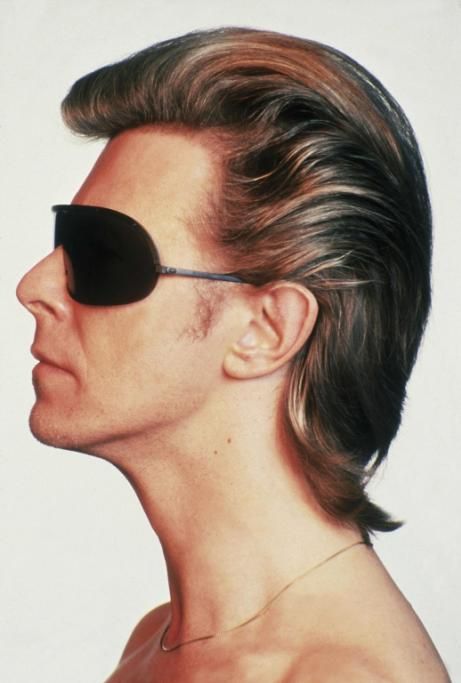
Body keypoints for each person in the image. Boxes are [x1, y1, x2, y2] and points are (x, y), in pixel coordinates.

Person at [17, 27, 450, 682]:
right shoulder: (162, 642)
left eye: (100, 254)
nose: (34, 287)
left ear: (267, 329)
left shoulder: (338, 675)